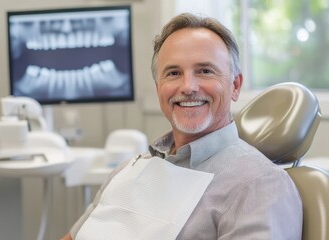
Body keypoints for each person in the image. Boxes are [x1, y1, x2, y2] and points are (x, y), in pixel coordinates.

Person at [61, 13, 302, 240]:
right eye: (174, 73)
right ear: (158, 89)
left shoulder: (259, 185)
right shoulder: (128, 170)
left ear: (235, 86)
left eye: (205, 71)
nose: (188, 87)